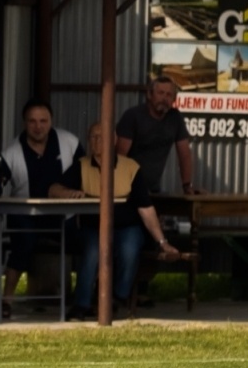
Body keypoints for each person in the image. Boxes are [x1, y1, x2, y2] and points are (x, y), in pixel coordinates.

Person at [50, 123, 181, 317]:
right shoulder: (81, 165)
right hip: (92, 227)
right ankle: (82, 305)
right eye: (93, 137)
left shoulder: (130, 167)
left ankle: (117, 298)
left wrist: (162, 242)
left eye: (102, 137)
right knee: (92, 252)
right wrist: (67, 192)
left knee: (130, 249)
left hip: (126, 226)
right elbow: (53, 189)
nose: (97, 141)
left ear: (114, 140)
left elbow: (145, 208)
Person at [0, 99, 83, 308]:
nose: (38, 127)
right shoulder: (11, 153)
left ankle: (83, 300)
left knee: (88, 241)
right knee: (24, 243)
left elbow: (88, 171)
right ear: (24, 123)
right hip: (26, 214)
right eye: (33, 122)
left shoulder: (69, 142)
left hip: (63, 215)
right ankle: (7, 300)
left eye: (43, 121)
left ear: (51, 121)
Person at [117, 76, 199, 194]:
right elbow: (120, 155)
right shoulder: (133, 116)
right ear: (150, 95)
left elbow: (184, 154)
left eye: (169, 95)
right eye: (160, 93)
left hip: (153, 189)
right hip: (128, 188)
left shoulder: (175, 118)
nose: (164, 98)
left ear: (173, 99)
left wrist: (187, 185)